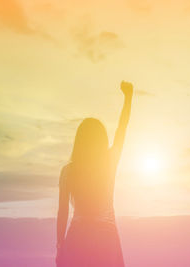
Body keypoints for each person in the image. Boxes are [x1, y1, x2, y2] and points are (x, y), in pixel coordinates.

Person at [56, 81, 133, 267]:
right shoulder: (108, 163)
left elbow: (63, 212)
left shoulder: (68, 171)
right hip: (105, 239)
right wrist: (128, 98)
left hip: (78, 238)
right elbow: (121, 130)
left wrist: (60, 245)